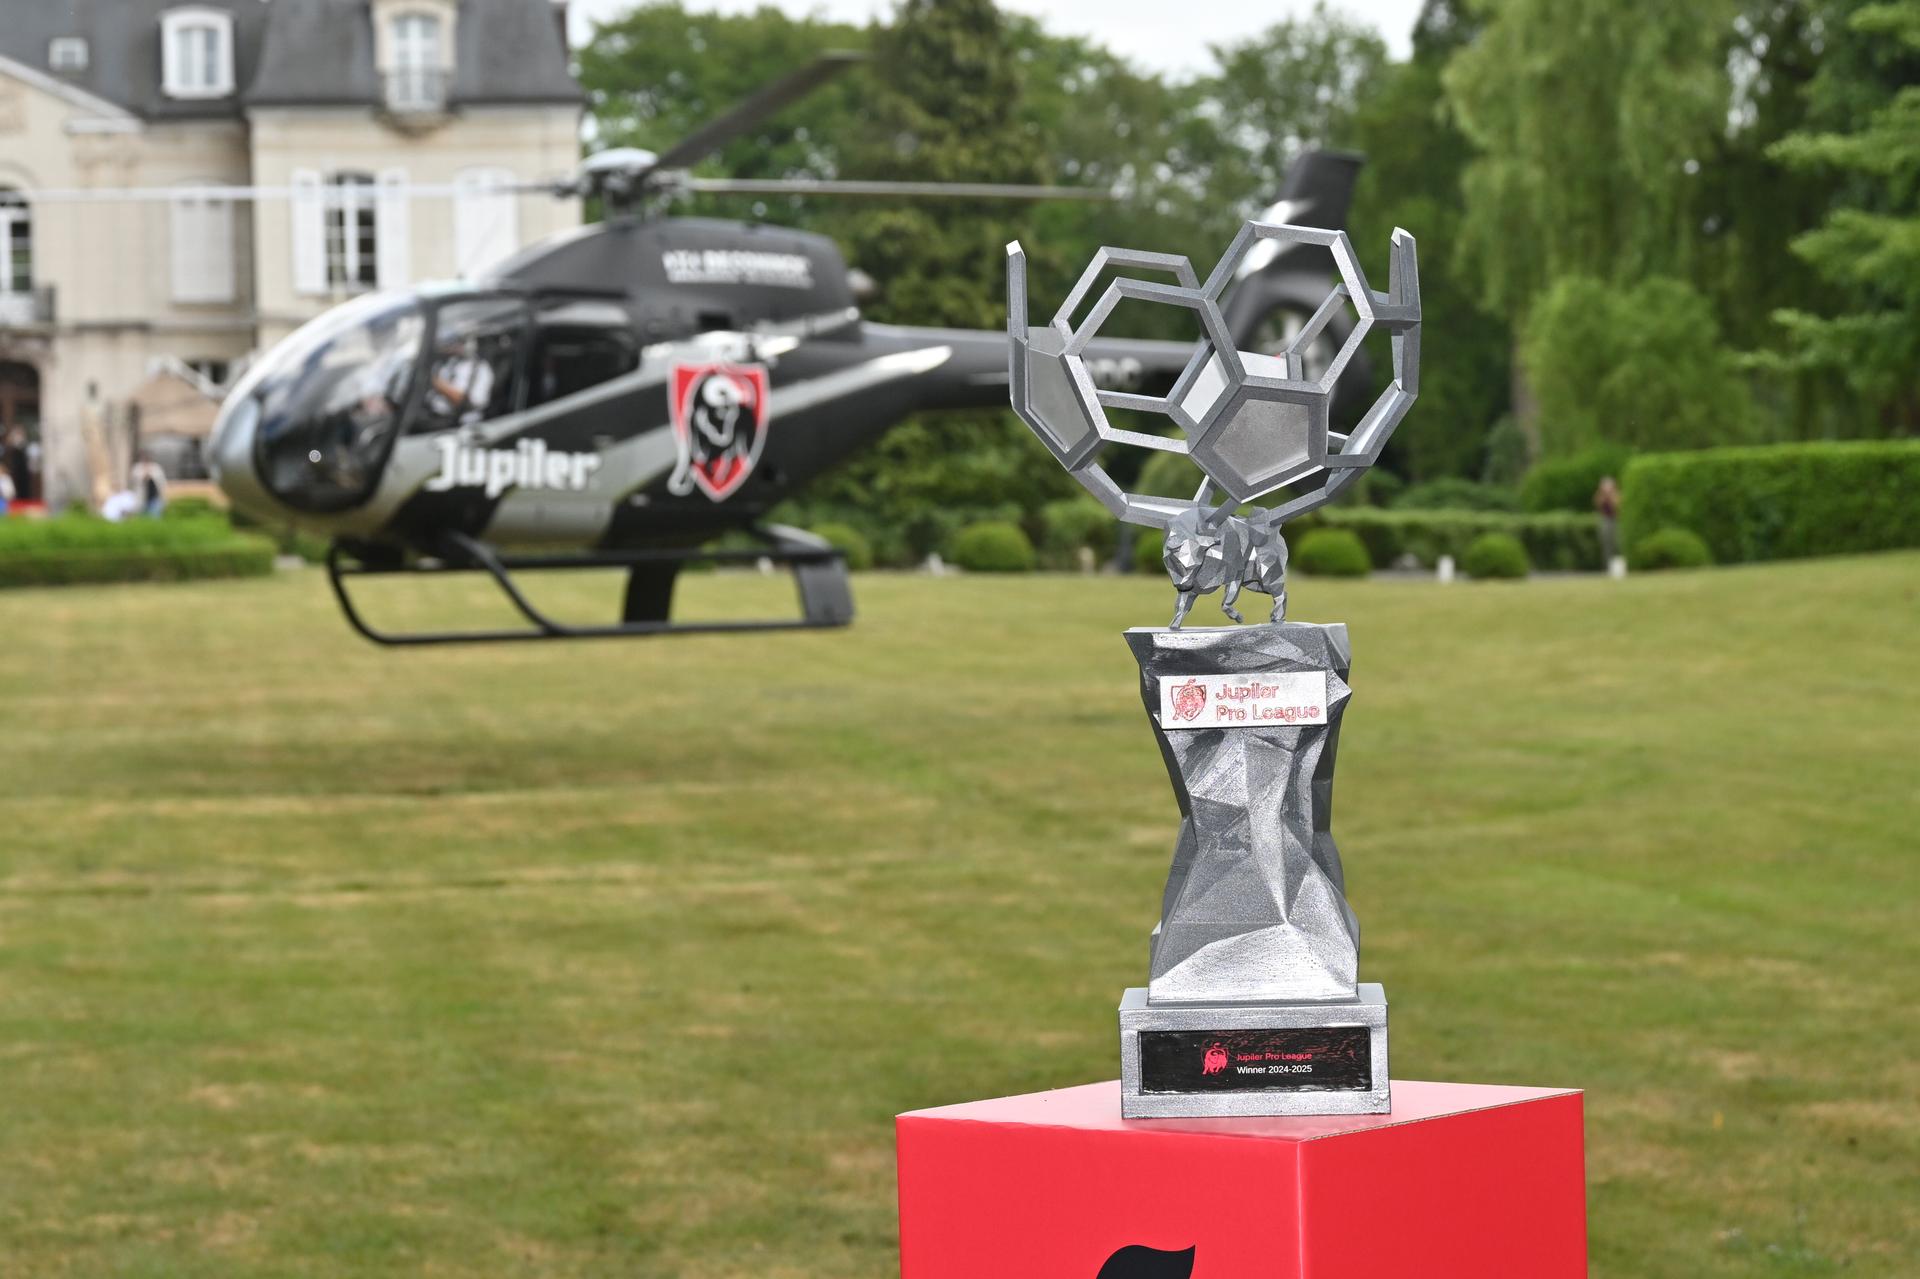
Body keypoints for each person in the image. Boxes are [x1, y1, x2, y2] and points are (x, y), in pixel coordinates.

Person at [130, 450, 168, 517]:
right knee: (142, 516)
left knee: (154, 516)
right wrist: (145, 475)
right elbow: (134, 481)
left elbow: (162, 482)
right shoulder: (137, 468)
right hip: (142, 497)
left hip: (155, 496)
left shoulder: (156, 467)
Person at [1593, 476, 1622, 565]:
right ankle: (1607, 563)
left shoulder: (1616, 494)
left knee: (1617, 541)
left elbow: (1617, 505)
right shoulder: (1600, 495)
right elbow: (1597, 504)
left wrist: (1611, 496)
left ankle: (1617, 563)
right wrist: (1604, 495)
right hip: (1605, 519)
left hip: (1615, 519)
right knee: (1606, 542)